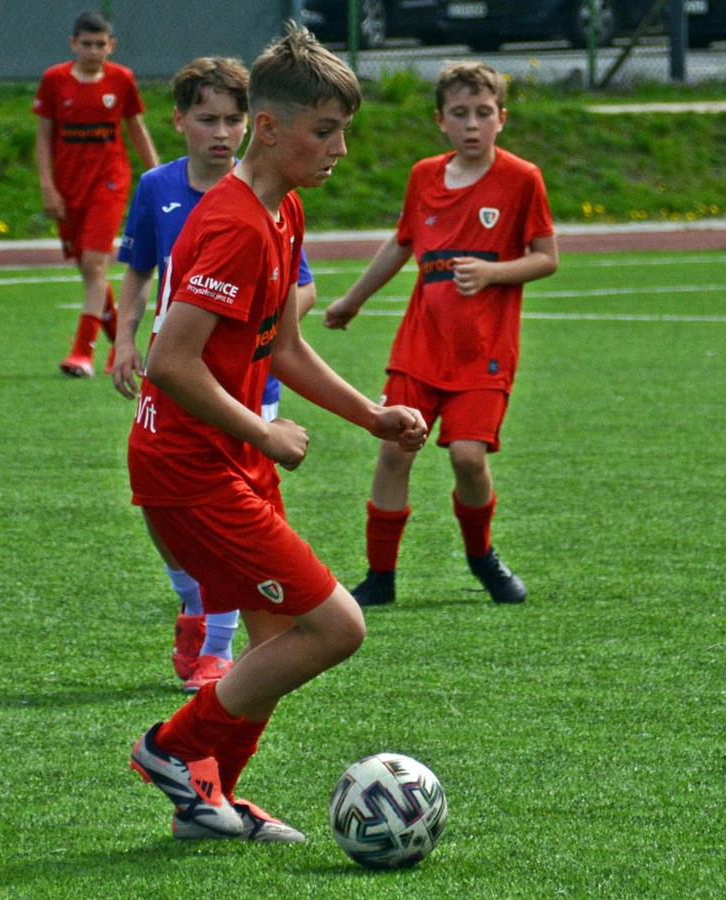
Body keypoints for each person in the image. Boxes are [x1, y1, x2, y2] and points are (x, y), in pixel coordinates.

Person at [126, 26, 428, 843]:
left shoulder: (282, 208)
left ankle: (209, 801)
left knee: (277, 639)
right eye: (324, 131)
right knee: (335, 627)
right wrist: (262, 432)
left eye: (343, 131)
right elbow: (170, 363)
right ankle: (172, 748)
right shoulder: (234, 224)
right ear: (268, 127)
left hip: (223, 456)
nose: (339, 150)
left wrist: (370, 414)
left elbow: (283, 346)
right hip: (188, 465)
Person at [111, 57, 318, 693]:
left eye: (233, 120)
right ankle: (195, 602)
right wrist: (123, 338)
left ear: (253, 123)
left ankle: (216, 649)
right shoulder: (158, 188)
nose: (222, 133)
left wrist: (262, 318)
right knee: (164, 517)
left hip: (251, 389)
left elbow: (299, 290)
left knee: (235, 531)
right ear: (179, 122)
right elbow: (142, 272)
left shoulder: (269, 200)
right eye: (208, 119)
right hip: (179, 384)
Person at [323, 61, 559, 607]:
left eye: (483, 113)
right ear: (440, 120)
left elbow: (546, 258)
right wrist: (353, 300)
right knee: (394, 451)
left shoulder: (522, 178)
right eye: (460, 113)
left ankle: (482, 556)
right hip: (420, 346)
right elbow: (401, 242)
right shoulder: (424, 176)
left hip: (485, 351)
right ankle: (380, 577)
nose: (472, 124)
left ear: (501, 118)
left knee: (468, 459)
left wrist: (494, 272)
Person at [34, 9, 159, 378]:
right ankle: (120, 345)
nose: (92, 50)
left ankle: (81, 352)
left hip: (110, 182)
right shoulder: (54, 80)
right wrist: (47, 185)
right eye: (86, 44)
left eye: (99, 44)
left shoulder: (121, 80)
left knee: (94, 265)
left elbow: (136, 128)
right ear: (73, 44)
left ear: (111, 46)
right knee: (87, 267)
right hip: (68, 186)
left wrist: (157, 174)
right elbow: (43, 136)